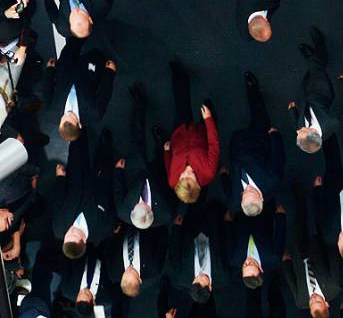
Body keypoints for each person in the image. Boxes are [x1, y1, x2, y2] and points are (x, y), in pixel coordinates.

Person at [222, 72, 285, 217]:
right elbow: (278, 158)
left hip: (238, 147)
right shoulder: (273, 180)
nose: (248, 187)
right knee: (259, 113)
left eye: (245, 192)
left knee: (234, 127)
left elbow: (229, 191)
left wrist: (223, 177)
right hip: (260, 142)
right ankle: (253, 88)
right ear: (261, 197)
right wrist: (275, 137)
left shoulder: (234, 201)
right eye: (253, 191)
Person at [113, 85, 177, 229]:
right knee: (159, 152)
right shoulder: (166, 213)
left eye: (136, 205)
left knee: (137, 139)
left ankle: (139, 103)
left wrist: (118, 171)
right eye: (143, 204)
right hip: (158, 175)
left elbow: (118, 190)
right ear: (150, 211)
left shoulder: (123, 212)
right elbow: (173, 195)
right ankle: (159, 139)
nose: (139, 202)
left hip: (134, 173)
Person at [161, 62, 220, 204]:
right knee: (208, 107)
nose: (186, 172)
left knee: (181, 104)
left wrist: (167, 152)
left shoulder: (172, 181)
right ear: (198, 185)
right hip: (200, 133)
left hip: (179, 134)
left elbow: (168, 166)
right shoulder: (209, 172)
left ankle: (179, 74)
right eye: (191, 177)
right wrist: (208, 120)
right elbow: (214, 144)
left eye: (182, 177)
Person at [53, 132, 117, 259]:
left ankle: (79, 132)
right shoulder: (104, 228)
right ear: (83, 240)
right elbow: (112, 201)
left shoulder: (59, 229)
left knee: (77, 152)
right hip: (100, 182)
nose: (70, 230)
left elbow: (58, 201)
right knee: (104, 159)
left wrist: (60, 178)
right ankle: (106, 144)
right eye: (74, 234)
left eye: (67, 234)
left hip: (75, 182)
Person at [281, 184, 343, 313]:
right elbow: (334, 260)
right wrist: (331, 240)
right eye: (318, 301)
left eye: (311, 303)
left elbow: (292, 282)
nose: (313, 298)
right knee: (316, 221)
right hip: (319, 247)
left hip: (300, 256)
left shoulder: (300, 301)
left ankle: (299, 198)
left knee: (298, 225)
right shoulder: (334, 287)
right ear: (326, 304)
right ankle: (317, 194)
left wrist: (286, 263)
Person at [44, 37, 116, 142]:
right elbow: (105, 93)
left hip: (66, 69)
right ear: (80, 124)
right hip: (89, 72)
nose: (68, 113)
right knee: (98, 49)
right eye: (72, 116)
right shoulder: (94, 113)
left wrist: (49, 71)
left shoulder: (51, 113)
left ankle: (81, 31)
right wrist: (109, 73)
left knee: (72, 44)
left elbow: (47, 90)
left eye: (65, 116)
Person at [289, 27, 343, 154]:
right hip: (322, 91)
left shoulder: (304, 134)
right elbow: (340, 102)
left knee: (308, 76)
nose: (298, 130)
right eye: (301, 131)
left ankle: (312, 58)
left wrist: (293, 112)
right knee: (317, 67)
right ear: (312, 132)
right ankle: (319, 44)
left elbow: (296, 125)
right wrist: (342, 83)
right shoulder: (332, 122)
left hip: (308, 95)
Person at [165, 199, 229, 306]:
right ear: (210, 287)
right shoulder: (223, 275)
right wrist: (227, 224)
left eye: (195, 280)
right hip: (214, 226)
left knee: (194, 202)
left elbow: (174, 251)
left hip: (190, 228)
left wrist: (176, 228)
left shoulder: (181, 277)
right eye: (203, 278)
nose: (199, 275)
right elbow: (227, 247)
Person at [229, 201, 287, 289]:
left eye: (244, 265)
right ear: (261, 268)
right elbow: (280, 234)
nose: (248, 260)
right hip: (263, 210)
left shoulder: (234, 259)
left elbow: (230, 238)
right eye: (252, 263)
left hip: (240, 213)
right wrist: (280, 216)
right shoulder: (273, 256)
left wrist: (228, 223)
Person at [105, 226, 168, 298]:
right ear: (140, 279)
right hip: (147, 224)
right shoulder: (154, 267)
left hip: (122, 225)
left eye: (125, 274)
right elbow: (162, 241)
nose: (129, 268)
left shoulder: (113, 272)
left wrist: (113, 234)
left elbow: (108, 251)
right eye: (132, 272)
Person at [61, 246, 121, 316]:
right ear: (93, 302)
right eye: (87, 293)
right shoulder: (108, 296)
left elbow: (65, 264)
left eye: (80, 294)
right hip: (108, 250)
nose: (83, 290)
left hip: (83, 248)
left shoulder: (67, 289)